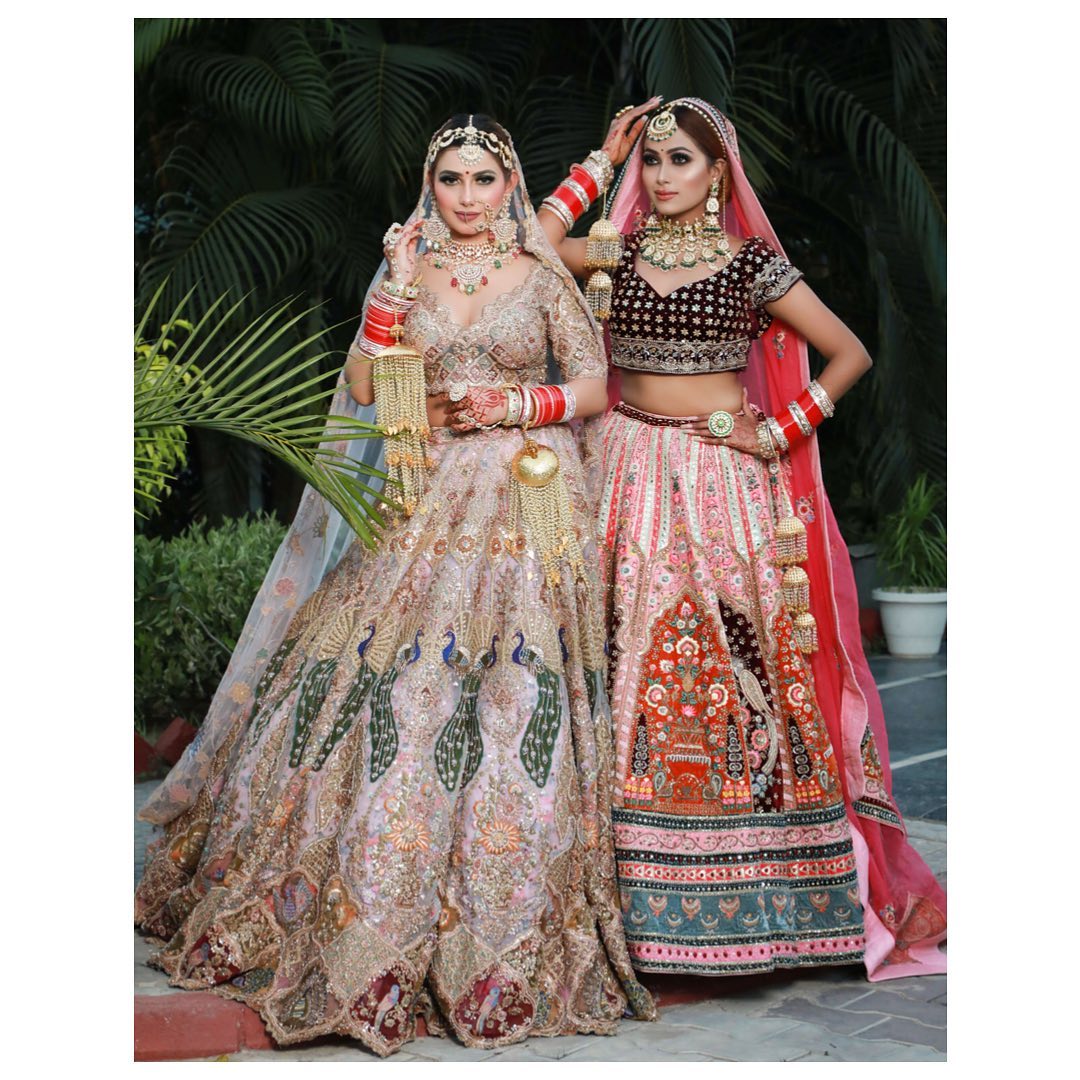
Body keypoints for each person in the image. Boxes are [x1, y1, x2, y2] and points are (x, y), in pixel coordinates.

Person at [135, 114, 655, 1057]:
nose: (467, 197)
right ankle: (363, 894)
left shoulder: (541, 269)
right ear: (430, 184)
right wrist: (391, 292)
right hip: (426, 487)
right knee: (393, 675)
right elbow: (369, 390)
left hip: (529, 493)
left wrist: (512, 402)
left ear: (509, 185)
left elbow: (593, 388)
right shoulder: (406, 268)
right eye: (451, 179)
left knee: (517, 687)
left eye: (483, 180)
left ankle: (502, 911)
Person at [538, 97, 946, 981]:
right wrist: (598, 165)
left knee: (743, 670)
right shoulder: (618, 250)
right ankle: (633, 910)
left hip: (724, 479)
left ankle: (770, 902)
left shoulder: (752, 263)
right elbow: (529, 248)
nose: (662, 176)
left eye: (679, 159)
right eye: (652, 161)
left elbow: (849, 352)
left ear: (718, 171)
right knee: (624, 666)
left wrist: (780, 430)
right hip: (624, 471)